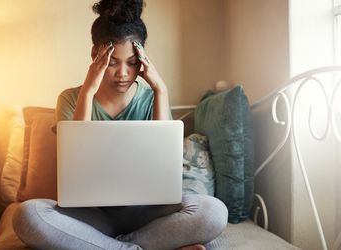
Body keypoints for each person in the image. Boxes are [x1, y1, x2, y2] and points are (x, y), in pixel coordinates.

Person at [12, 0, 228, 249]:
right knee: (27, 215)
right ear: (95, 55)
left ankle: (105, 245)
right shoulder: (70, 99)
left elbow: (164, 168)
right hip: (93, 215)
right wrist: (88, 90)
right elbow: (75, 163)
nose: (123, 73)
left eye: (132, 62)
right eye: (112, 62)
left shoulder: (150, 98)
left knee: (213, 212)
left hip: (146, 214)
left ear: (143, 58)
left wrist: (161, 89)